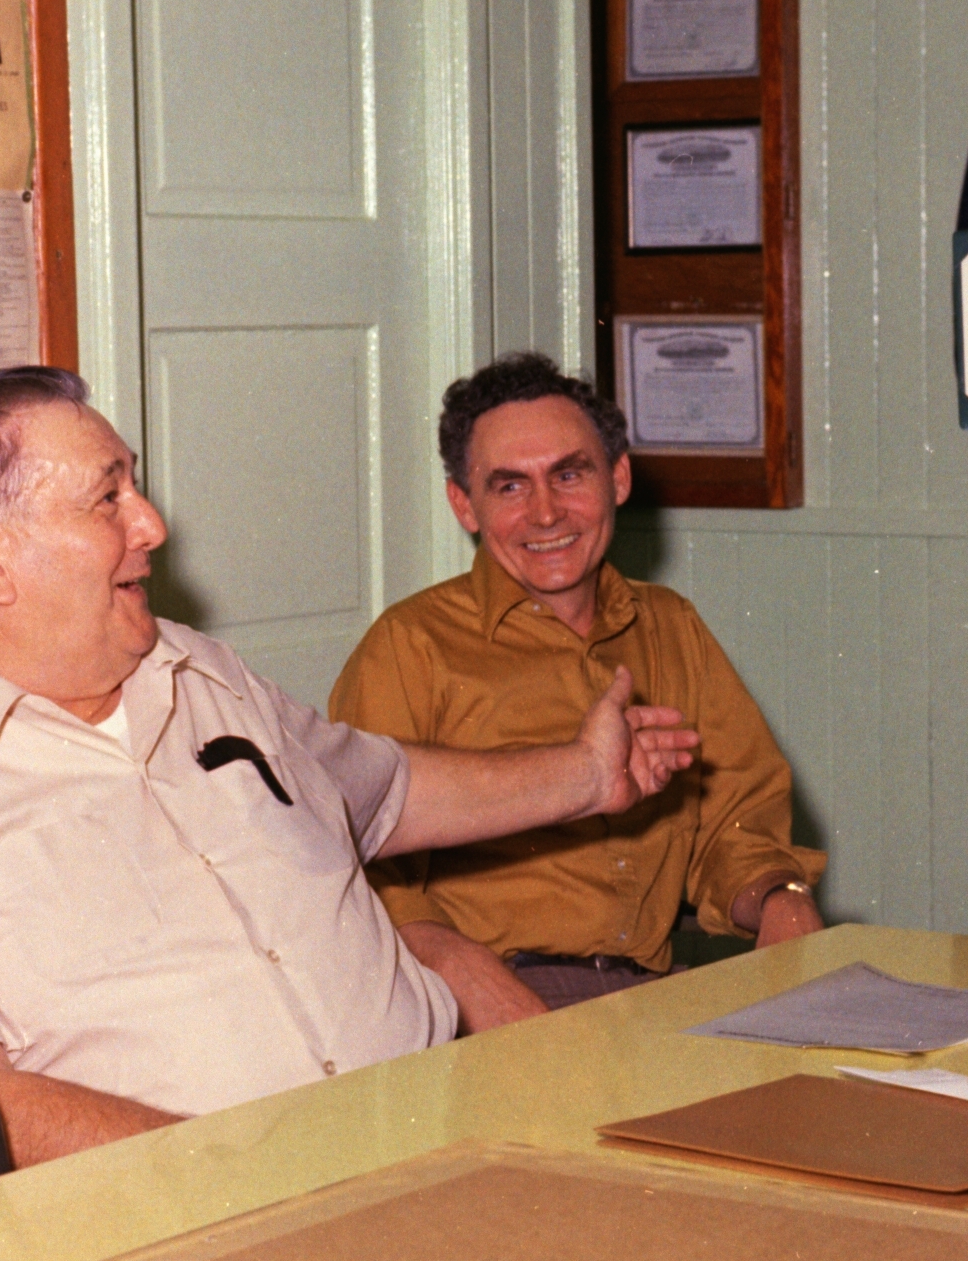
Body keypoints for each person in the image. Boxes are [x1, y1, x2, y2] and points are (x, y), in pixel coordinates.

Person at [0, 366, 698, 1163]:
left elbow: (384, 790)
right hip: (201, 1239)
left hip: (452, 1138)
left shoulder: (193, 668)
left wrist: (585, 775)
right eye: (108, 496)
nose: (153, 524)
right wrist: (258, 1183)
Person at [326, 352, 824, 1027]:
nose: (546, 513)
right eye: (508, 487)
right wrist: (461, 967)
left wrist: (779, 896)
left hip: (652, 994)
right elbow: (351, 855)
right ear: (462, 504)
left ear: (617, 477)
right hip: (480, 999)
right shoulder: (410, 646)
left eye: (569, 474)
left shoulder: (670, 624)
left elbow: (735, 822)